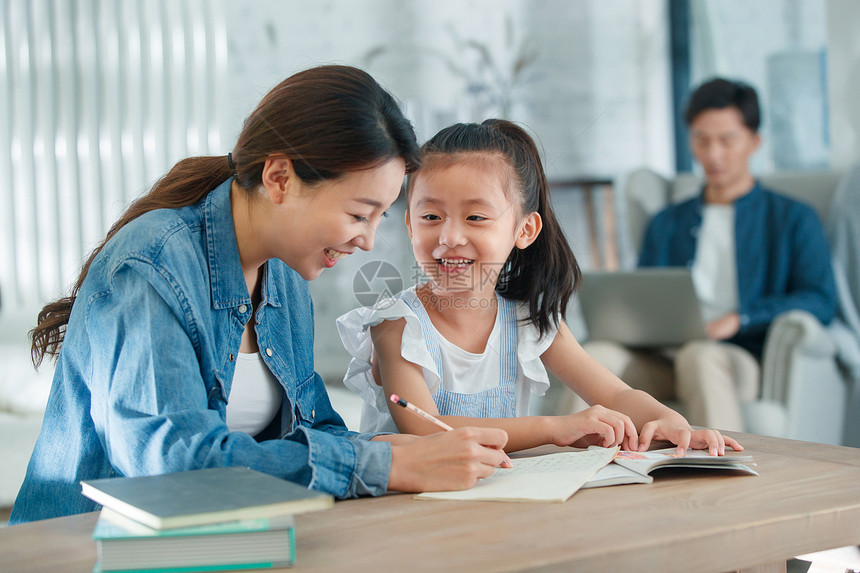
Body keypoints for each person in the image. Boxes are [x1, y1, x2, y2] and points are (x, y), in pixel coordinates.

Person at [10, 65, 511, 524]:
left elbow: (317, 431)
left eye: (381, 216)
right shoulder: (153, 263)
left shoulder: (286, 278)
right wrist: (385, 463)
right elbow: (171, 467)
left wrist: (414, 452)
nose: (369, 240)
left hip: (229, 539)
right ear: (278, 179)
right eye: (359, 214)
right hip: (86, 547)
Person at [337, 119, 740, 456]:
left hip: (504, 495)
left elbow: (617, 397)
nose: (450, 236)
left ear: (524, 230)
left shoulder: (528, 319)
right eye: (430, 216)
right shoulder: (397, 325)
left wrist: (673, 422)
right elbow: (426, 430)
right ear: (409, 224)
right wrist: (553, 427)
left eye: (475, 217)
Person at [584, 78, 838, 431]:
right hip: (663, 358)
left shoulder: (793, 218)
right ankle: (573, 469)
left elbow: (821, 299)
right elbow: (641, 296)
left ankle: (722, 472)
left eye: (726, 140)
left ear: (754, 141)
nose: (713, 154)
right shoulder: (667, 222)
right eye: (701, 140)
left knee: (699, 356)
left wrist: (741, 317)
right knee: (597, 356)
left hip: (734, 358)